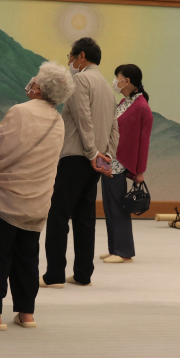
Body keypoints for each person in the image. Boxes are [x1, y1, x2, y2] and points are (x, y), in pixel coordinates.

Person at [0, 61, 75, 330]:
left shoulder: (19, 112)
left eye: (35, 79)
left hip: (7, 199)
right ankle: (26, 314)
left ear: (39, 88)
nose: (32, 82)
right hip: (38, 201)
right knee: (28, 256)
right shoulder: (58, 121)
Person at [40, 37, 118, 288]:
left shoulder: (80, 80)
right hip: (96, 161)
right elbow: (114, 127)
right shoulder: (106, 85)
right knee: (85, 218)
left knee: (58, 215)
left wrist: (91, 151)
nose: (71, 61)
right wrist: (107, 157)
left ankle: (54, 275)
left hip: (77, 156)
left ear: (81, 56)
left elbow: (84, 119)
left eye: (71, 56)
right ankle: (84, 274)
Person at [99, 64, 152, 264]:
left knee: (118, 207)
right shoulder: (125, 101)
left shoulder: (141, 107)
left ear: (127, 81)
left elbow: (143, 141)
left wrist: (140, 171)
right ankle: (114, 247)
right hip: (109, 159)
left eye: (118, 77)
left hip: (121, 162)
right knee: (109, 205)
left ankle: (123, 250)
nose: (116, 81)